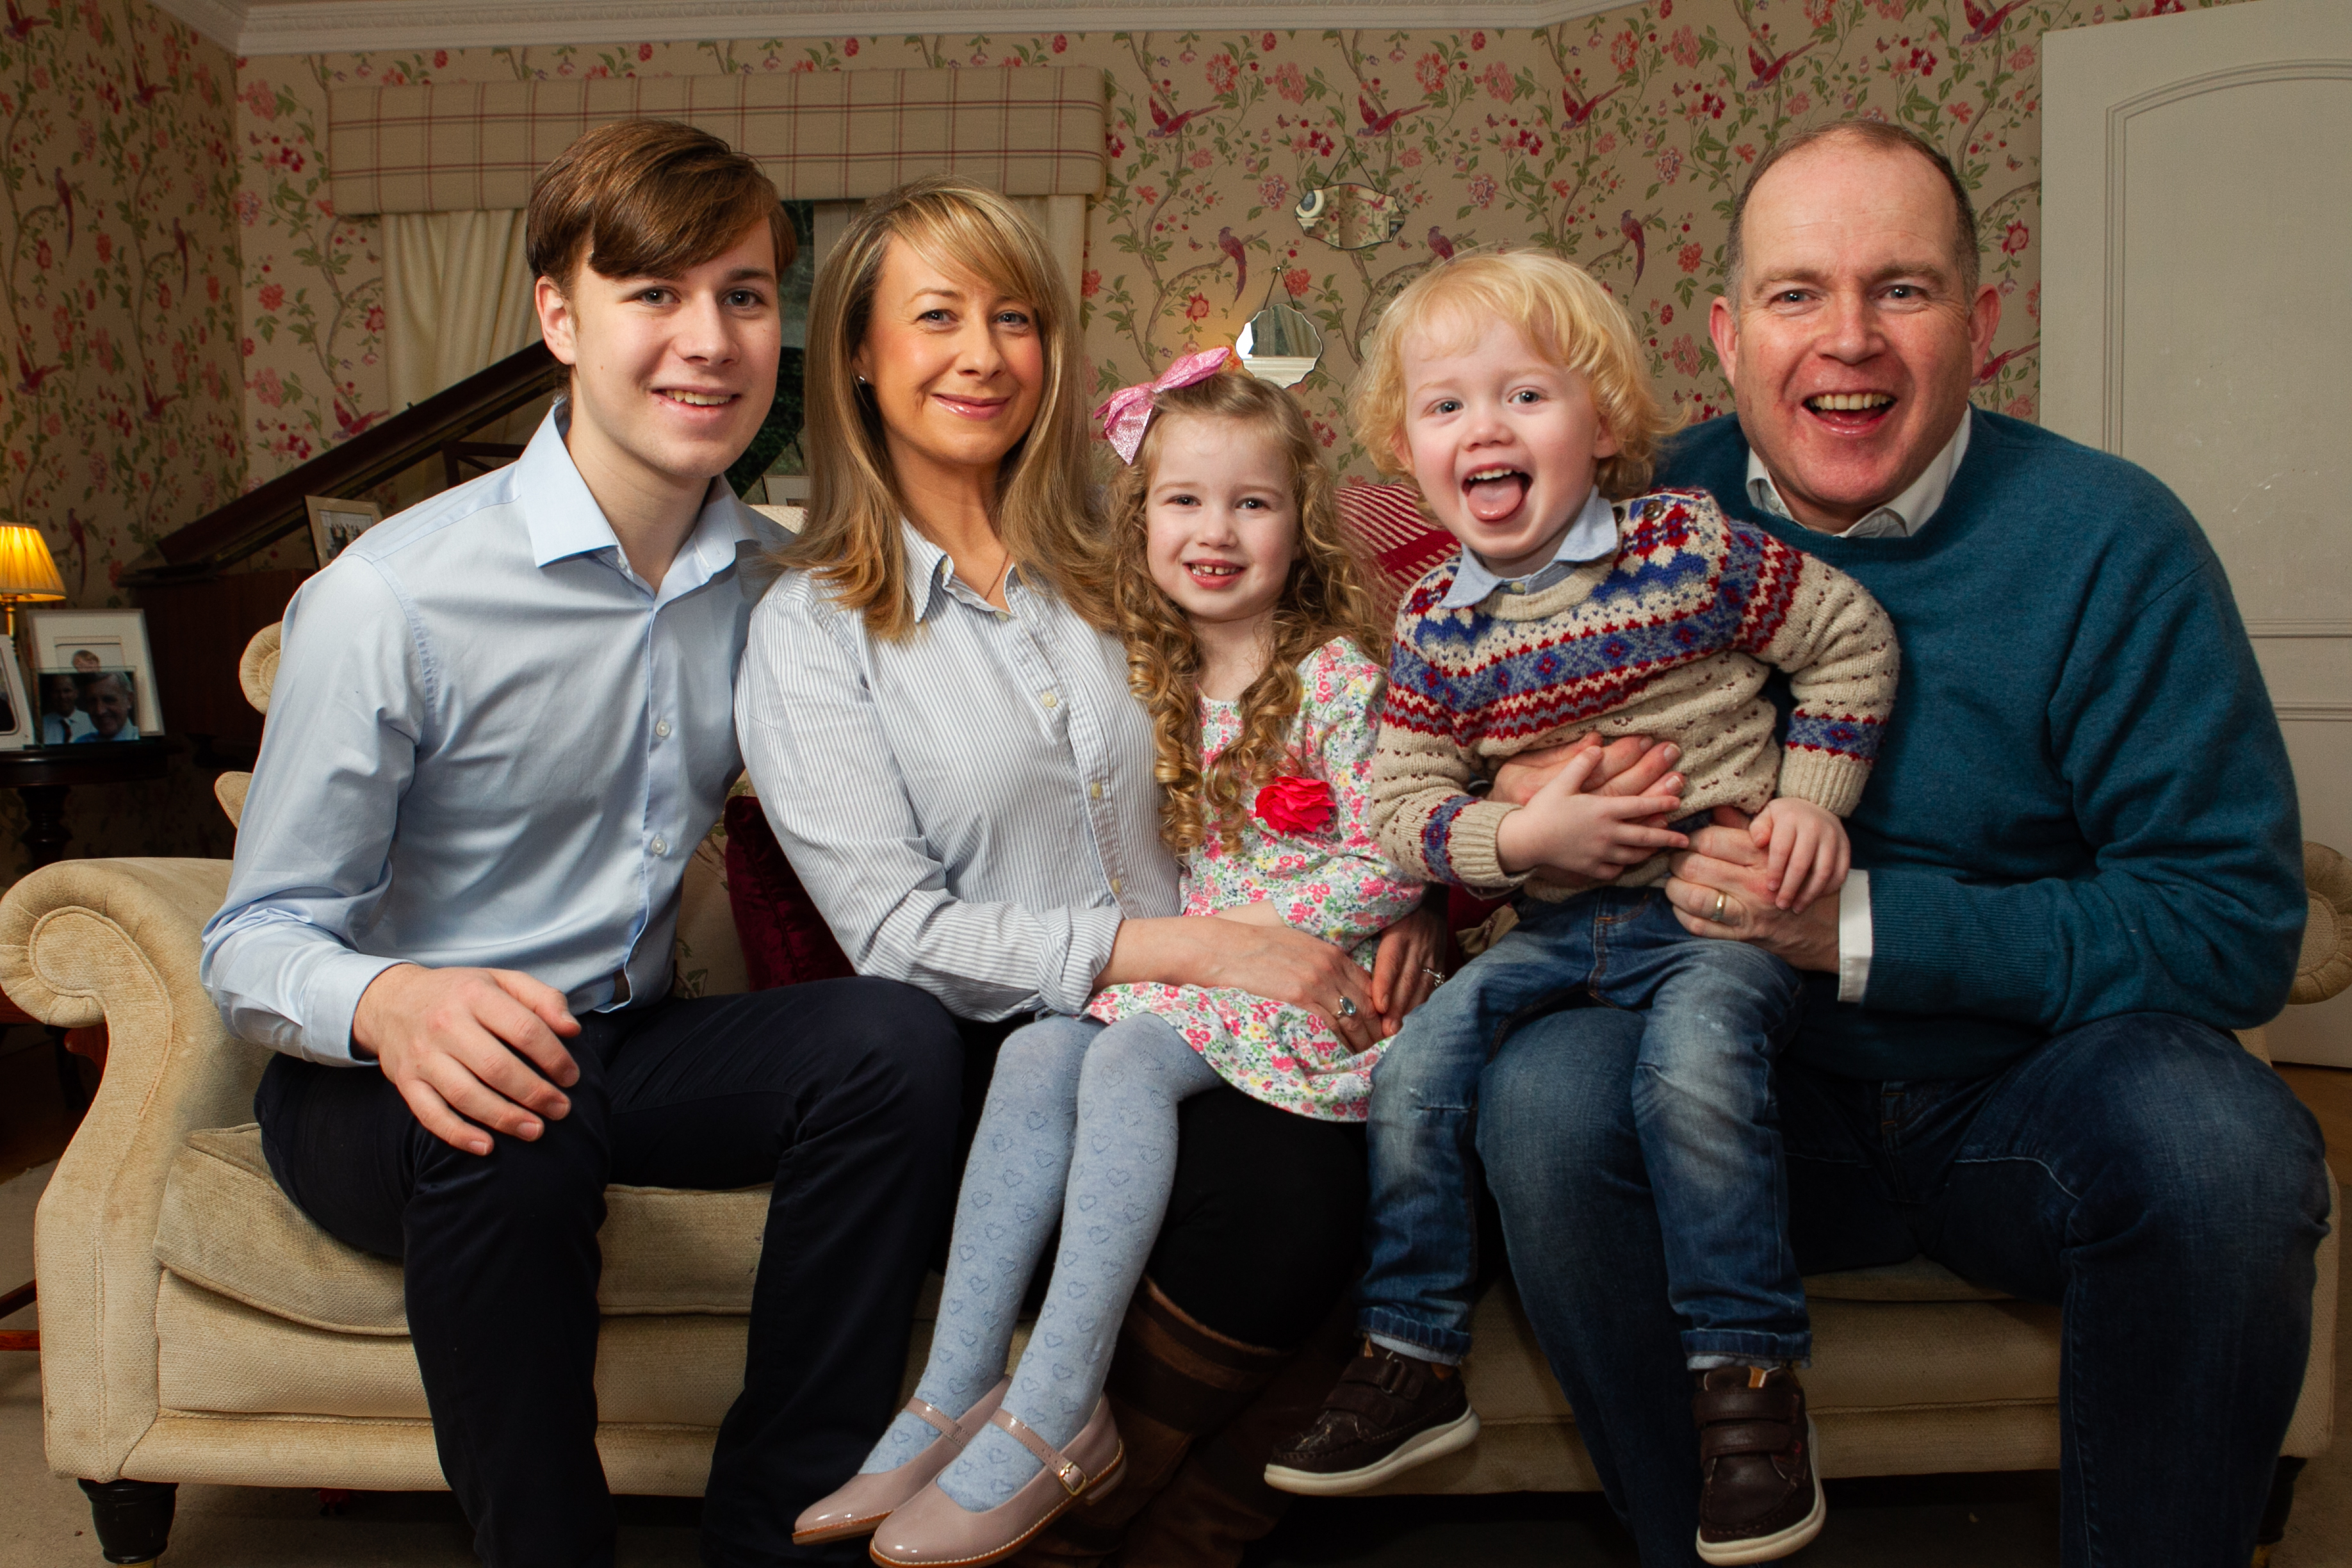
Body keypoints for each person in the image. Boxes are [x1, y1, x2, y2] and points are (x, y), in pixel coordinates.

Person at [1473, 118, 2328, 1567]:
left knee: (2223, 1151)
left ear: (1979, 325)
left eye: (1903, 289)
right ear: (1728, 332)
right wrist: (1508, 836)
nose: (1847, 341)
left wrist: (1855, 927)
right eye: (1798, 293)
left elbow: (2233, 922)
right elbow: (1444, 746)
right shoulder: (1604, 529)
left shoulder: (2111, 540)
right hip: (1733, 1101)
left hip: (2027, 1090)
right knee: (1547, 1102)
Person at [200, 120, 967, 1568]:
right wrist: (394, 997)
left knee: (895, 1043)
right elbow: (251, 940)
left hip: (621, 1037)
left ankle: (775, 1526)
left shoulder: (772, 583)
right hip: (376, 1083)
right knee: (514, 1105)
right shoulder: (391, 599)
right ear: (559, 315)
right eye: (654, 294)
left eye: (743, 295)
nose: (710, 339)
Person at [738, 177, 1446, 1568]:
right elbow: (891, 929)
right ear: (861, 359)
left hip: (1222, 1016)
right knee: (1225, 1155)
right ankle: (1003, 1436)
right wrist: (1197, 954)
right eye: (938, 315)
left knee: (1328, 1165)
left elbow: (1337, 763)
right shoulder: (813, 628)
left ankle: (1108, 1502)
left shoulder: (1128, 573)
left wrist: (1421, 903)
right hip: (997, 1057)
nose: (985, 352)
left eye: (1018, 317)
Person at [1264, 250, 1900, 1564]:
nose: (1483, 429)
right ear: (1409, 449)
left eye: (1525, 397)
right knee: (1419, 1065)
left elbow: (1849, 640)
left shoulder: (1688, 550)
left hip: (1714, 918)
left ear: (1601, 424)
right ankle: (1414, 1354)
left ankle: (1750, 1389)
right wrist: (1518, 836)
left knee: (1693, 1073)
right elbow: (1401, 804)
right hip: (1556, 932)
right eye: (1445, 408)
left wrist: (1809, 803)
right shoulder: (1439, 622)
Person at [70, 671, 140, 741]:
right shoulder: (81, 744)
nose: (100, 711)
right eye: (92, 702)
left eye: (108, 700)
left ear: (129, 700)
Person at [40, 673, 93, 744]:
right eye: (57, 691)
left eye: (67, 691)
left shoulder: (91, 722)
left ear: (76, 693)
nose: (62, 696)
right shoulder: (42, 725)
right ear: (52, 695)